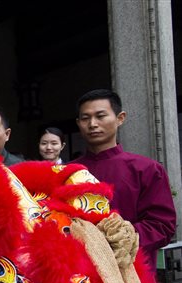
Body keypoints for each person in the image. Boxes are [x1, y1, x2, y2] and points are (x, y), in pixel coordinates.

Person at [71, 89, 176, 271]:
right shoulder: (67, 172)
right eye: (85, 118)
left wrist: (119, 238)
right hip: (80, 275)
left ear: (120, 118)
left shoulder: (146, 169)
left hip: (132, 272)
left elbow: (162, 225)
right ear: (78, 123)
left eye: (100, 116)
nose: (93, 124)